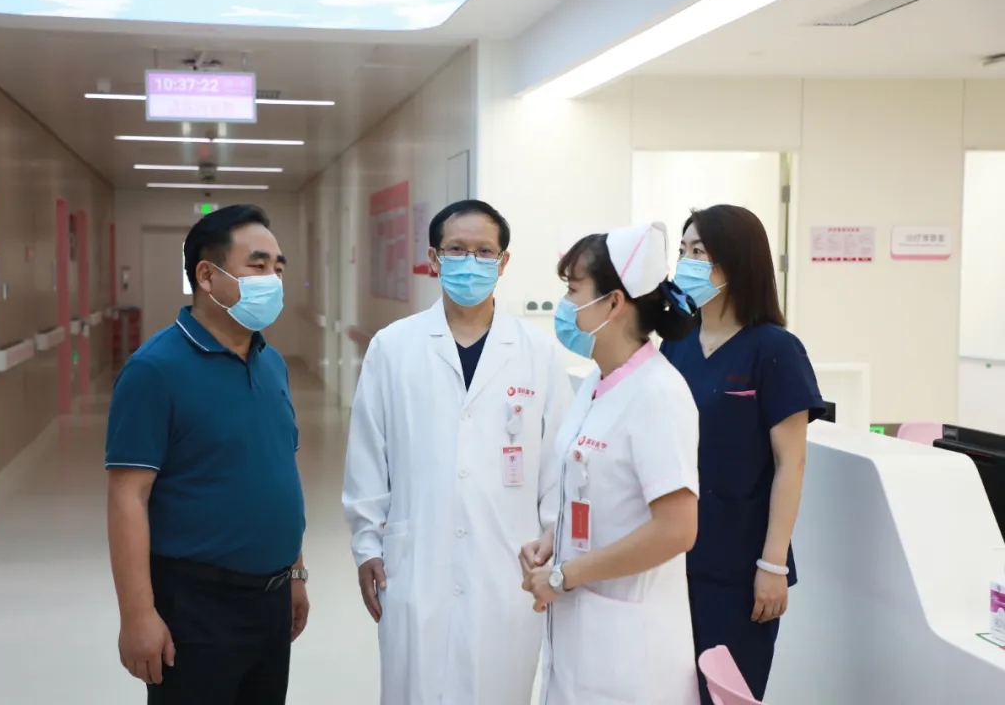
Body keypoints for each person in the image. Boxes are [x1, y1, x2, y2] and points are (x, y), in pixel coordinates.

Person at [342, 199, 574, 705]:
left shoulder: (536, 353)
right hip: (415, 564)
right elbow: (367, 457)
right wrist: (367, 546)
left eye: (484, 251)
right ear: (433, 258)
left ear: (503, 262)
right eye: (456, 249)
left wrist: (553, 542)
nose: (471, 262)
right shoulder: (393, 346)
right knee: (416, 688)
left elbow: (558, 466)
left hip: (509, 565)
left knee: (498, 688)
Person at [105, 204, 309, 705]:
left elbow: (280, 471)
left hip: (271, 600)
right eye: (257, 265)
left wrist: (295, 573)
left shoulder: (271, 363)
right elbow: (128, 497)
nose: (272, 279)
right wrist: (137, 615)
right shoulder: (155, 370)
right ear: (206, 275)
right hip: (196, 608)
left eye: (278, 267)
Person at [521, 221, 702, 705]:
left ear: (614, 302)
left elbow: (677, 530)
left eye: (573, 290)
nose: (565, 305)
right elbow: (596, 488)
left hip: (631, 655)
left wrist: (566, 574)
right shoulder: (597, 384)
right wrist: (554, 541)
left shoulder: (659, 394)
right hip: (582, 636)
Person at [662, 204, 825, 704]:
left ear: (736, 261)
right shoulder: (676, 345)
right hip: (672, 557)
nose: (686, 263)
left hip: (741, 567)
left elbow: (791, 463)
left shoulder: (774, 348)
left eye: (700, 252)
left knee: (724, 693)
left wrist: (773, 565)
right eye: (682, 250)